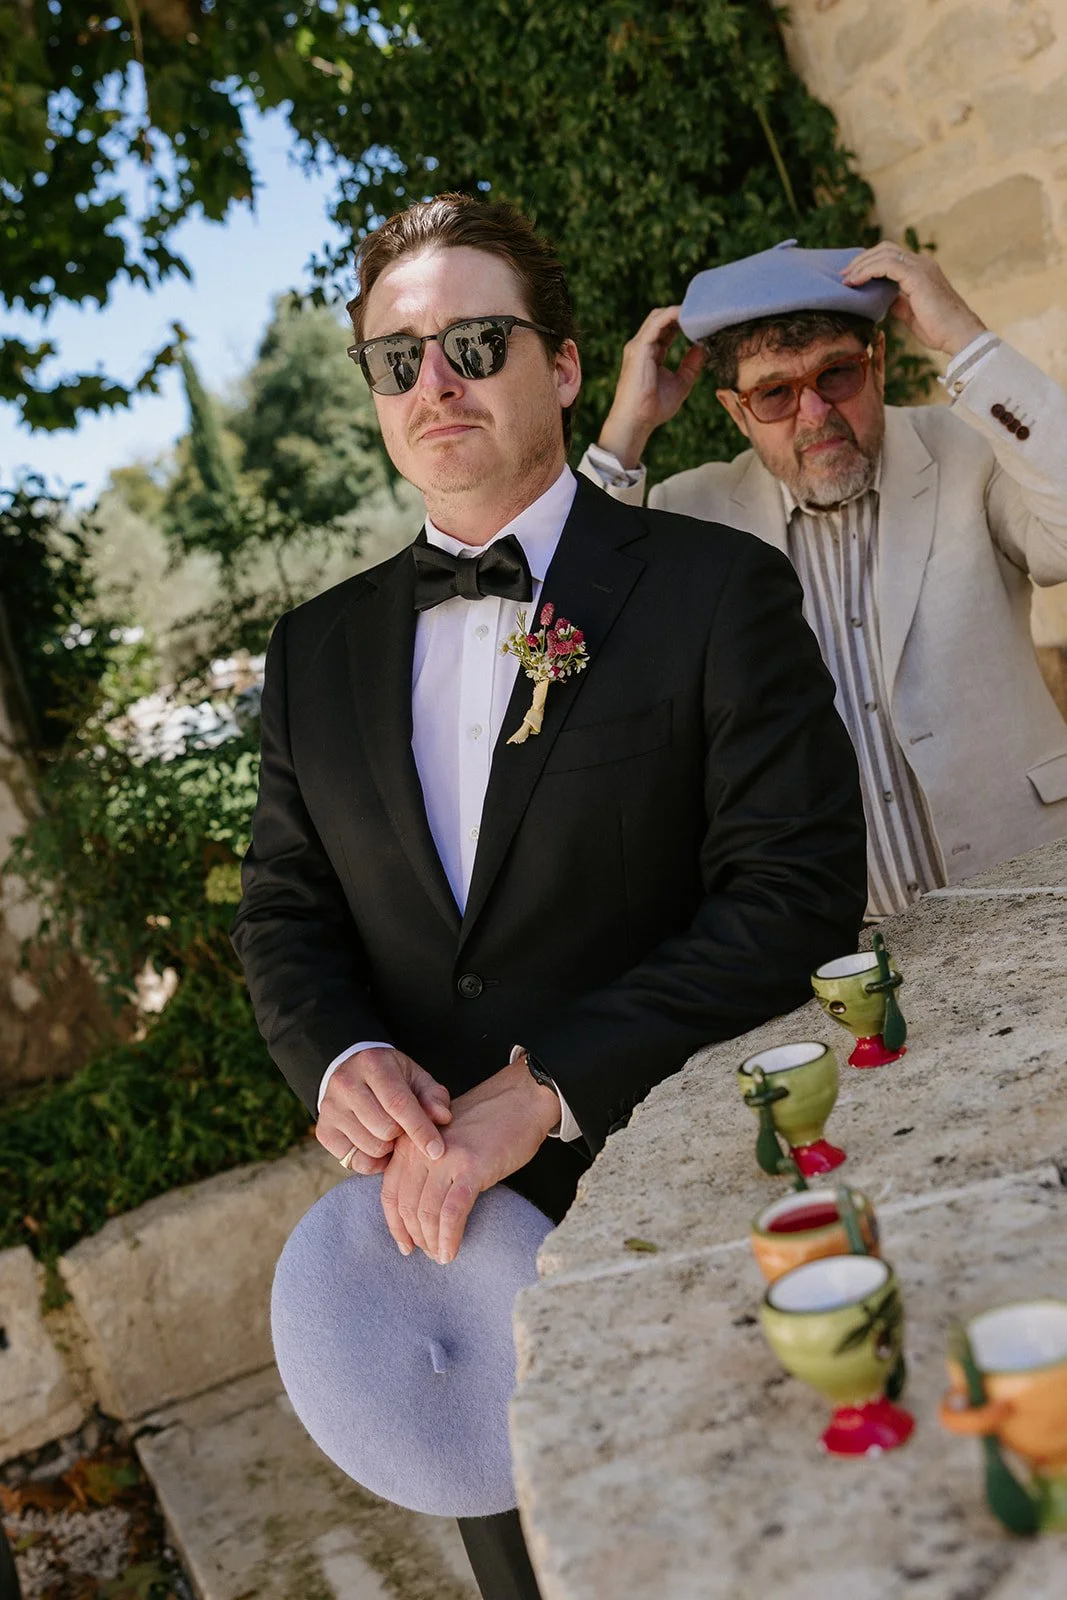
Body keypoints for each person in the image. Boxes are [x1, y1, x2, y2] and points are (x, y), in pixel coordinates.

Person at [232, 195, 866, 1599]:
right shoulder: (311, 653)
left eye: (471, 340)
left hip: (708, 1226)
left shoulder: (715, 591)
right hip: (447, 1297)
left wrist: (548, 1086)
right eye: (396, 359)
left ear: (565, 366)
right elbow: (282, 911)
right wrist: (335, 1056)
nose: (433, 382)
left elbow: (796, 892)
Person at [581, 240, 1067, 917]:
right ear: (733, 410)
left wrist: (964, 338)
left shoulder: (969, 450)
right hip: (837, 945)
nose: (815, 415)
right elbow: (571, 625)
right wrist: (623, 432)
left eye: (836, 374)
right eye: (775, 393)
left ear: (878, 366)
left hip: (1036, 886)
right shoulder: (692, 516)